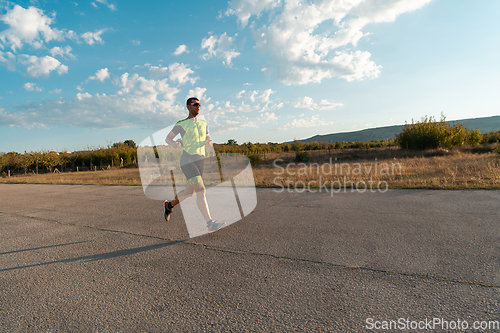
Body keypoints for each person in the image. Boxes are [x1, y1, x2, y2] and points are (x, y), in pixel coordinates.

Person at [163, 97, 225, 232]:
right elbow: (168, 138)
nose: (198, 106)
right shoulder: (181, 124)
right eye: (195, 104)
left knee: (188, 192)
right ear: (188, 107)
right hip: (187, 159)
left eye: (199, 104)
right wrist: (173, 144)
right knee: (201, 190)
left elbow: (207, 136)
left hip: (200, 160)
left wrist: (209, 141)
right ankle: (210, 223)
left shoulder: (204, 123)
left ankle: (169, 206)